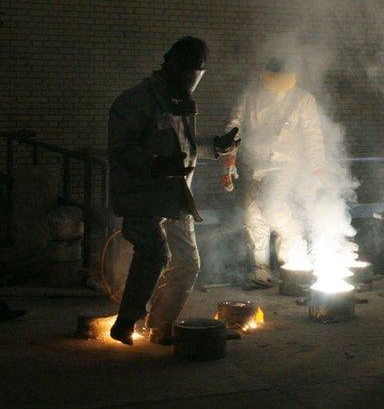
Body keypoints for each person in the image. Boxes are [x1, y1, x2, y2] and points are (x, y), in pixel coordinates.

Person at [108, 37, 240, 345]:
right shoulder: (135, 102)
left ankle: (161, 325)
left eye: (198, 74)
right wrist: (156, 164)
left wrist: (216, 147)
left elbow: (187, 150)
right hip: (143, 197)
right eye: (189, 72)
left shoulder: (180, 104)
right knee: (155, 253)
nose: (192, 80)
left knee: (189, 264)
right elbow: (121, 150)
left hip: (176, 196)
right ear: (174, 66)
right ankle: (126, 322)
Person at [221, 59, 327, 288]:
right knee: (253, 215)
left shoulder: (303, 99)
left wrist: (319, 171)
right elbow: (234, 126)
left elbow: (313, 137)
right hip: (252, 164)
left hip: (286, 166)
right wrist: (228, 161)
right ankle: (260, 268)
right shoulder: (251, 95)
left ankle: (293, 258)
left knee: (274, 208)